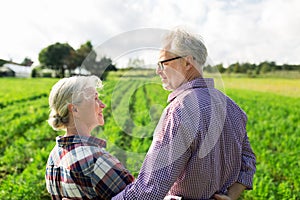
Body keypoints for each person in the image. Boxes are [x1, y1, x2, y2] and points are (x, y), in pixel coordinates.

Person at [111, 28, 256, 200]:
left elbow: (149, 190)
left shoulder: (179, 110)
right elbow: (248, 160)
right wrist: (231, 196)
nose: (158, 71)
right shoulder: (232, 107)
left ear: (187, 63)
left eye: (163, 63)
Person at [45, 75, 134, 200]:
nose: (103, 105)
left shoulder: (54, 157)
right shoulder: (96, 160)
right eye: (95, 99)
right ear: (75, 109)